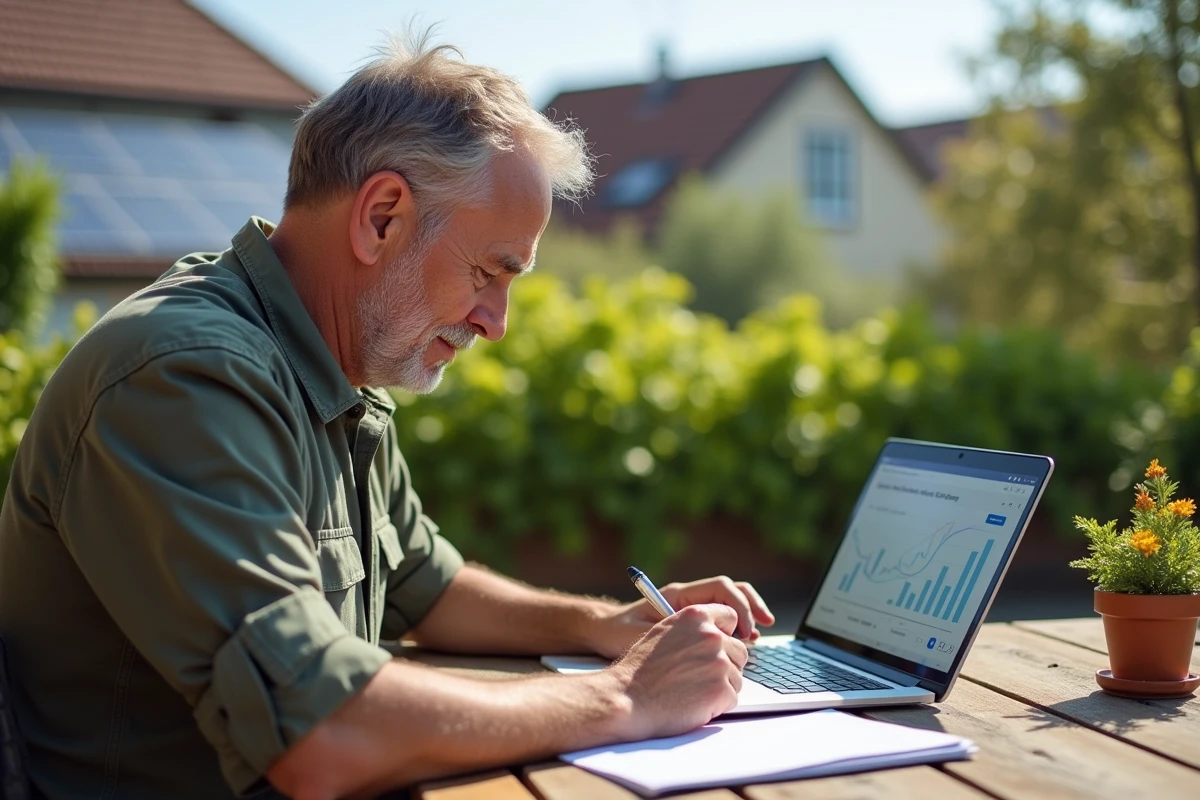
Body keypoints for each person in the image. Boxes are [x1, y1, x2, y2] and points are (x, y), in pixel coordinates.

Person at [0, 34, 775, 800]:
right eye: (487, 271)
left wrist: (604, 626)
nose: (496, 323)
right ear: (381, 217)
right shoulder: (184, 378)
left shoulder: (331, 363)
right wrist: (626, 695)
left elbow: (423, 584)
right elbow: (319, 733)